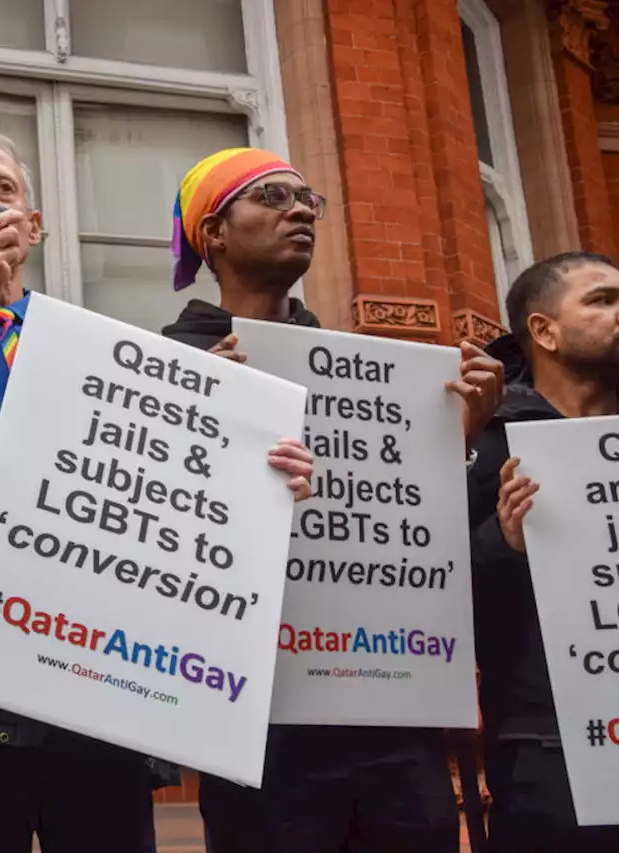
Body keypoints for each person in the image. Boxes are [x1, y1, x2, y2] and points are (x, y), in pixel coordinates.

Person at [0, 130, 315, 853]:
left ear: (34, 225)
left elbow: (174, 501)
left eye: (5, 187)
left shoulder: (101, 350)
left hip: (97, 699)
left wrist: (263, 481)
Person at [162, 147, 506, 853]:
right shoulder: (169, 366)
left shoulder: (372, 377)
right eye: (270, 196)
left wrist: (458, 444)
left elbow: (429, 540)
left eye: (305, 197)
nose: (299, 209)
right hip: (260, 729)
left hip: (390, 717)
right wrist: (201, 430)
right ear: (214, 233)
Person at [468, 252, 619, 853]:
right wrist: (502, 541)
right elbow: (435, 591)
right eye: (602, 300)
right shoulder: (486, 441)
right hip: (547, 750)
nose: (618, 311)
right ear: (543, 330)